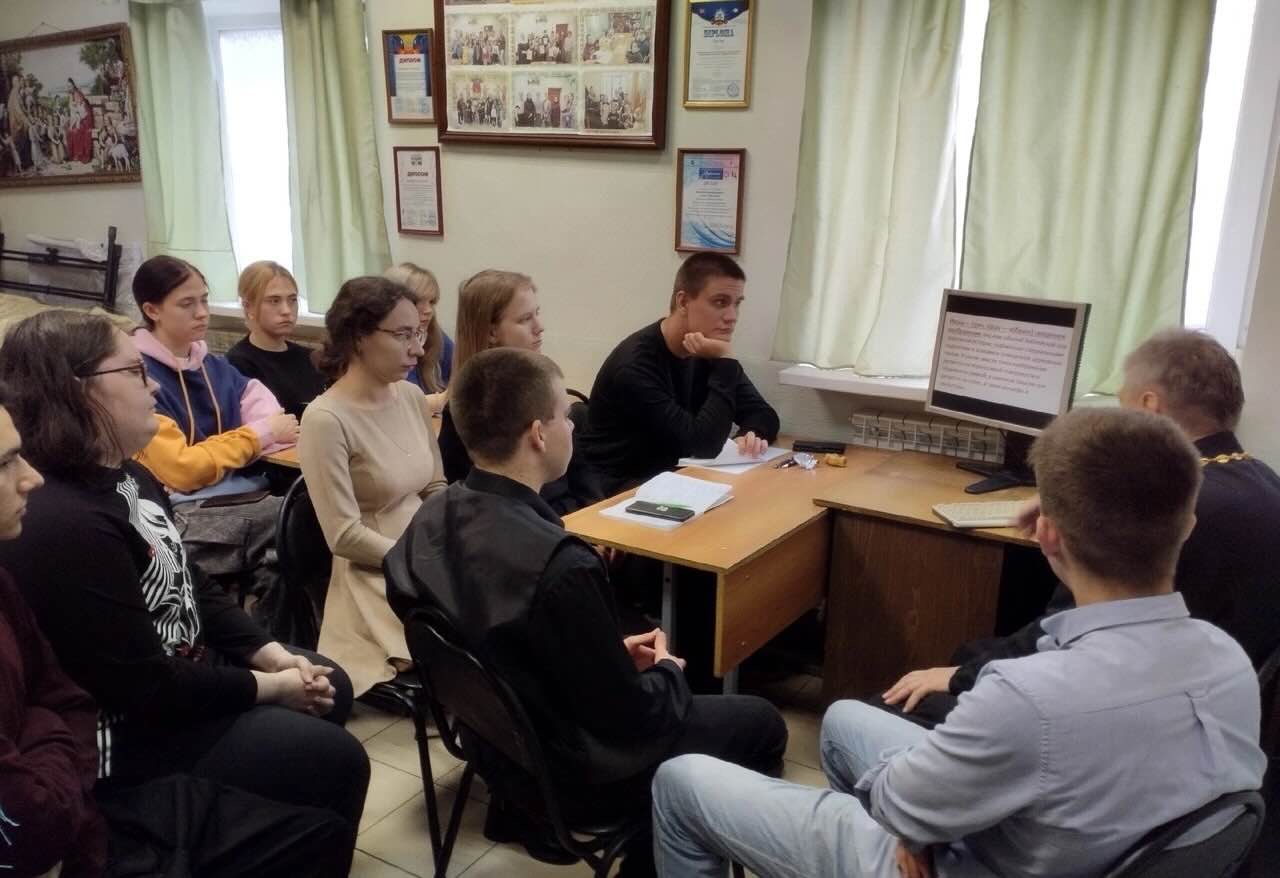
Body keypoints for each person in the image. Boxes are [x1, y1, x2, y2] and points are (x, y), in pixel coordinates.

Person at [653, 406, 1267, 877]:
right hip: (1076, 849)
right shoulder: (1229, 664)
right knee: (841, 721)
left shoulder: (1025, 698)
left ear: (1047, 535)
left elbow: (896, 800)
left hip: (968, 862)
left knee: (681, 783)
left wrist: (918, 827)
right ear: (1187, 526)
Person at [385, 347, 786, 876]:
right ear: (538, 434)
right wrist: (668, 672)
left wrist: (604, 653)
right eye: (564, 415)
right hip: (573, 774)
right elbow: (630, 720)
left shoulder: (430, 518)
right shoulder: (562, 564)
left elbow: (494, 643)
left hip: (494, 747)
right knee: (761, 724)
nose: (574, 426)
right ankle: (655, 854)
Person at [0, 311, 369, 870]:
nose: (153, 386)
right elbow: (144, 687)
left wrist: (266, 652)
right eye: (135, 371)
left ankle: (282, 825)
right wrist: (271, 688)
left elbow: (187, 577)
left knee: (329, 684)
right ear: (78, 391)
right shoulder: (65, 522)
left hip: (182, 671)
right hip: (137, 732)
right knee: (335, 757)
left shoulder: (128, 473)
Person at [883, 329, 1280, 726]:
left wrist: (959, 677)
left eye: (1122, 400)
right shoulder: (1260, 483)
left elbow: (1069, 629)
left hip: (1120, 705)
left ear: (1149, 406)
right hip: (1203, 698)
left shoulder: (1162, 505)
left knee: (909, 697)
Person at [298, 276, 446, 696]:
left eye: (418, 334)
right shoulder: (326, 419)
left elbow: (435, 486)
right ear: (359, 337)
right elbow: (344, 535)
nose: (417, 349)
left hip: (424, 551)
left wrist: (452, 536)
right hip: (377, 573)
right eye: (403, 335)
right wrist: (418, 561)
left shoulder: (411, 396)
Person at [130, 254, 298, 605]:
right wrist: (256, 436)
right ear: (152, 310)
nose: (202, 313)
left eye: (204, 300)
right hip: (179, 513)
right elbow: (183, 469)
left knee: (287, 554)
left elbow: (264, 409)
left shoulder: (211, 365)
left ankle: (268, 634)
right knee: (298, 519)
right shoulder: (139, 378)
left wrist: (250, 437)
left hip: (239, 494)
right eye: (187, 304)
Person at [581, 252, 779, 494]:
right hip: (619, 491)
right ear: (683, 302)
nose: (732, 317)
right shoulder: (634, 366)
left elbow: (764, 414)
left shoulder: (707, 348)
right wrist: (725, 361)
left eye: (737, 304)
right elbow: (702, 446)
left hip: (675, 478)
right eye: (720, 302)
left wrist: (750, 436)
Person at [437, 269, 603, 515]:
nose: (539, 327)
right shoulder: (467, 410)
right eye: (525, 319)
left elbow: (583, 477)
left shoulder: (544, 388)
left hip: (573, 518)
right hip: (527, 526)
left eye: (537, 314)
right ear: (491, 332)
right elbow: (483, 506)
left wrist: (593, 515)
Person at [226, 260, 326, 420]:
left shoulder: (310, 357)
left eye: (292, 300)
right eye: (274, 301)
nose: (286, 311)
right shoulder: (237, 365)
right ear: (248, 306)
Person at [384, 262, 453, 414]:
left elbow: (460, 375)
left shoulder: (436, 336)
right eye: (417, 302)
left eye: (432, 302)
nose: (428, 310)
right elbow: (401, 404)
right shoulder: (385, 345)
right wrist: (443, 399)